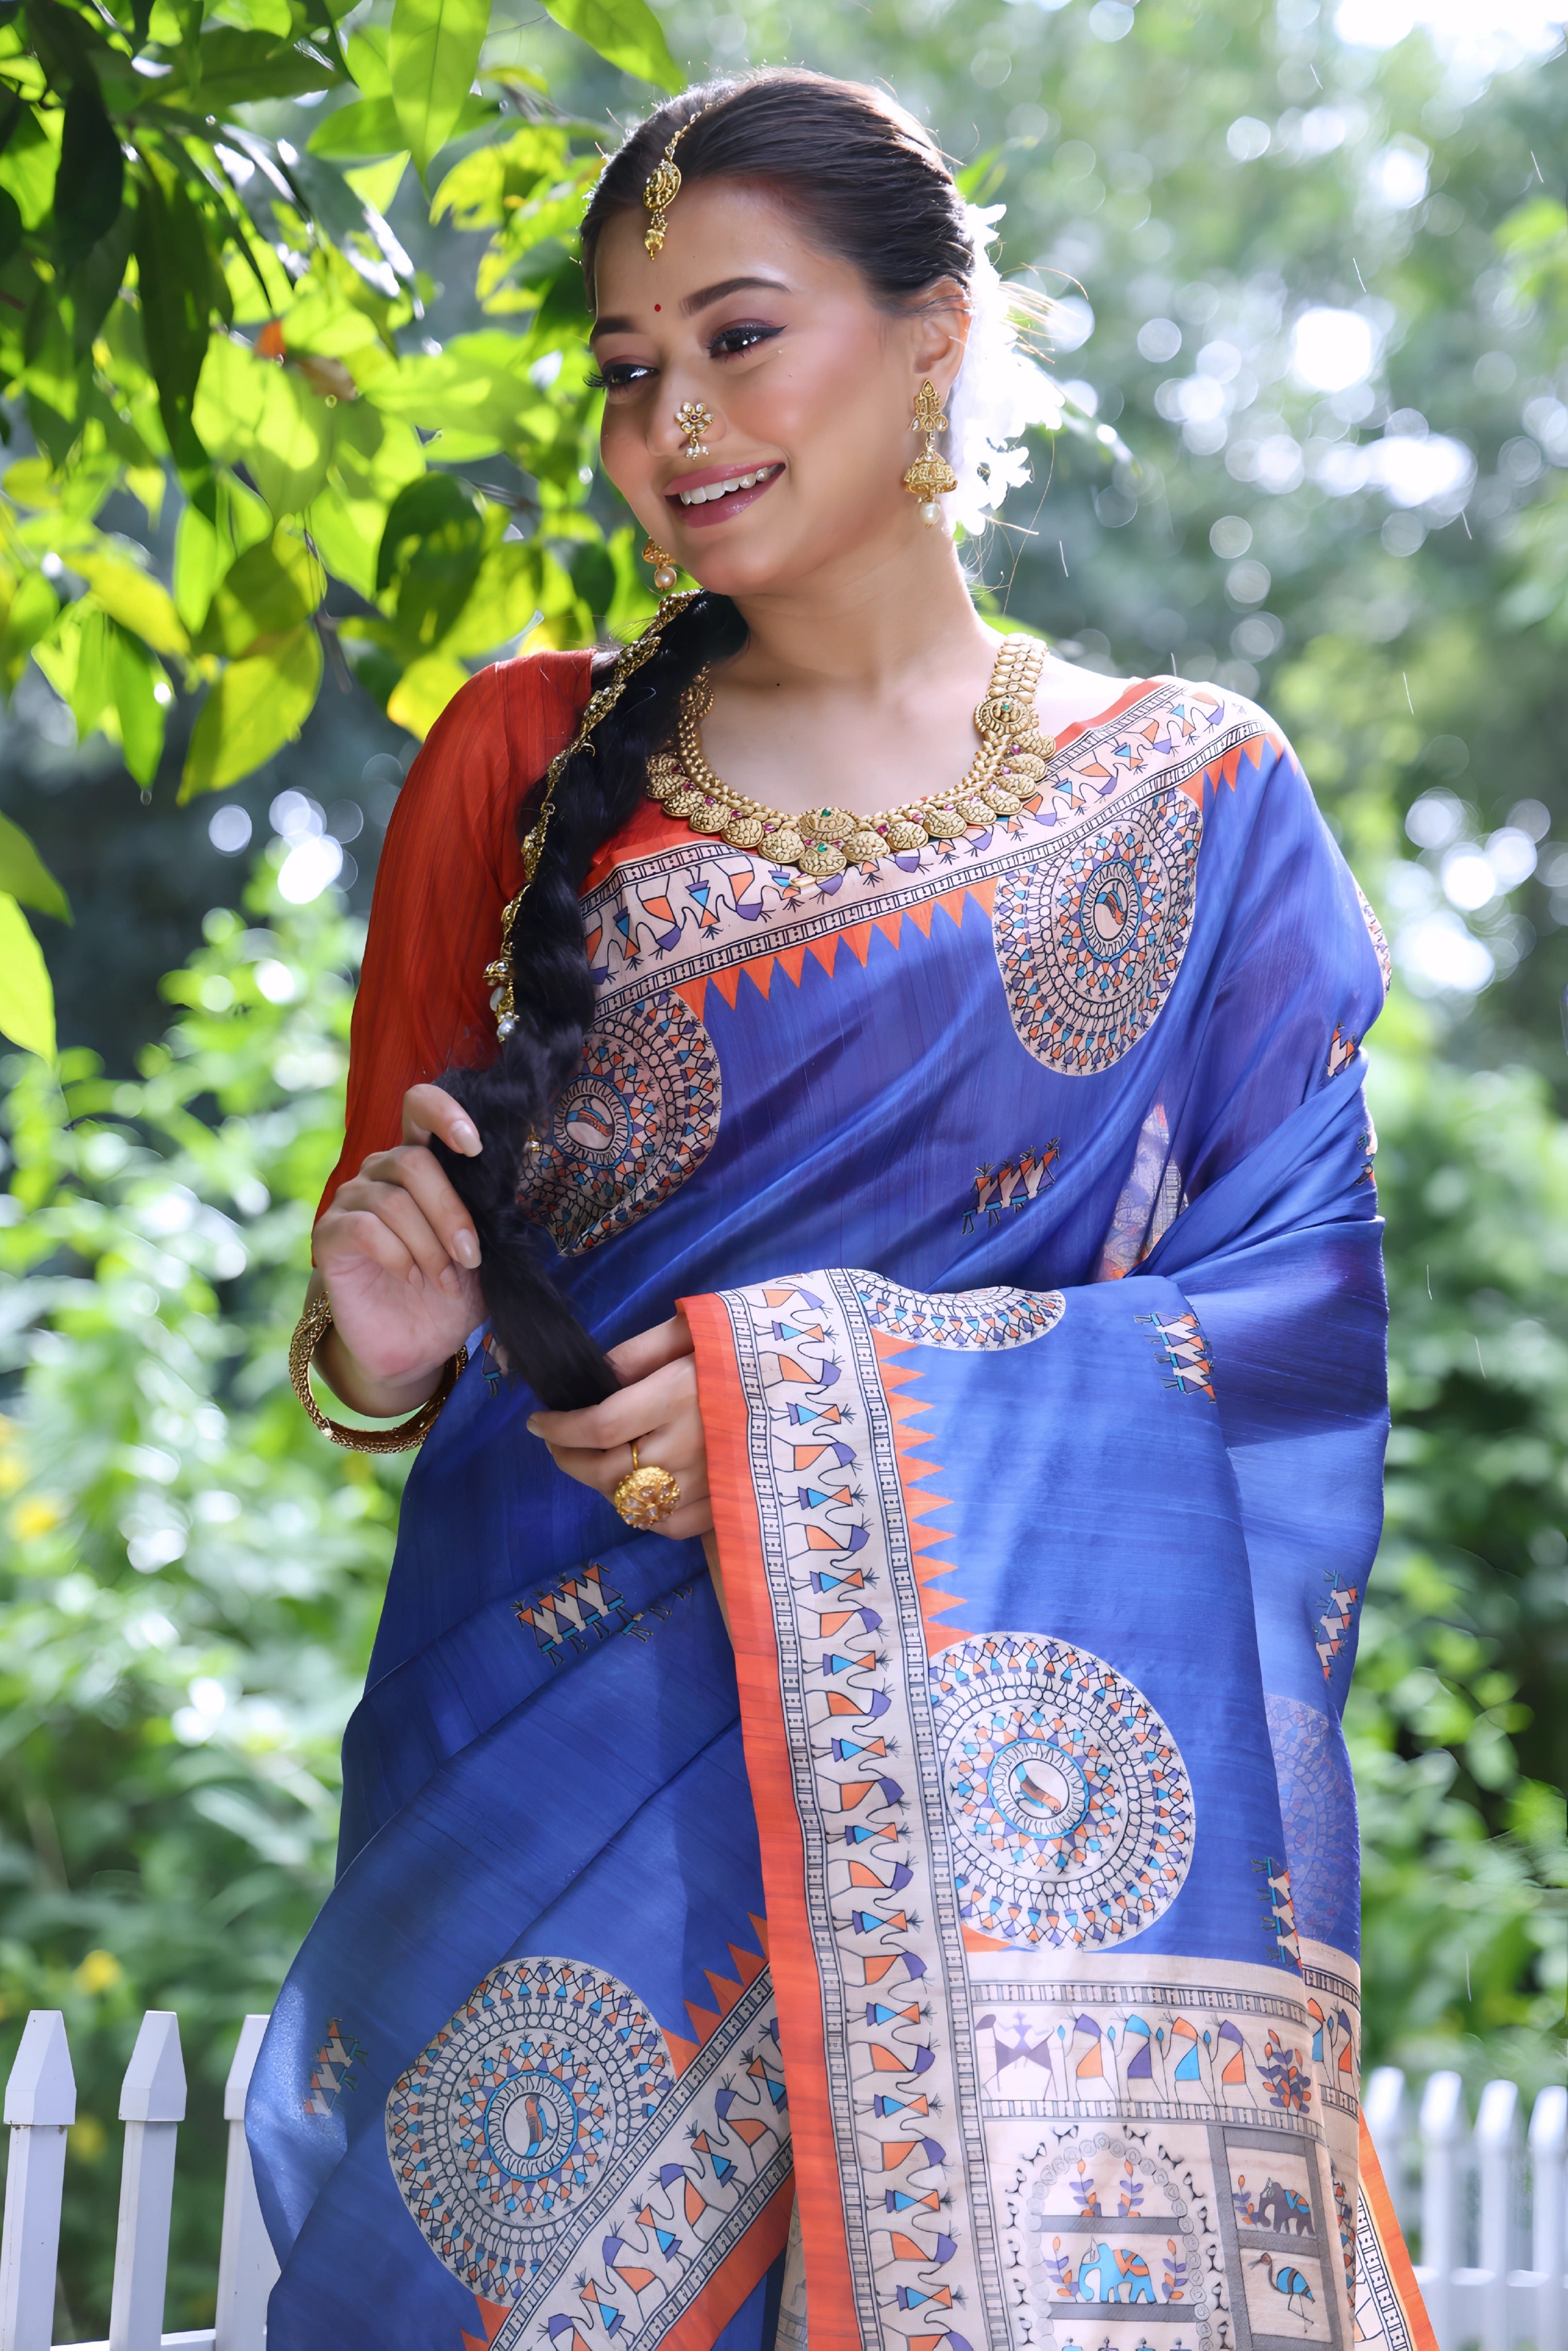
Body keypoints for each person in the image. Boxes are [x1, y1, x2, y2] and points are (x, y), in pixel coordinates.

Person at [246, 68, 1434, 2351]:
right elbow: (383, 1299)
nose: (664, 421)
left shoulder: (1190, 809)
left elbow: (1291, 1338)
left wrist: (781, 1410)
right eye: (620, 368)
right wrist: (377, 1353)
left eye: (734, 333)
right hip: (558, 1793)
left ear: (932, 332)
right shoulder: (511, 770)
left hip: (1021, 1841)